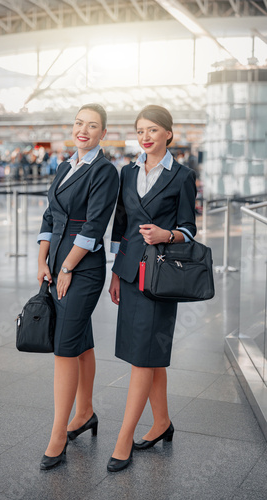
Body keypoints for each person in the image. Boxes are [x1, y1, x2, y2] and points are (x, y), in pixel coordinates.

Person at [108, 105, 196, 472]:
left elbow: (190, 230)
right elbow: (121, 225)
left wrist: (167, 234)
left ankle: (124, 437)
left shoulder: (182, 176)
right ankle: (161, 423)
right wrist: (115, 271)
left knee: (143, 357)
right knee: (144, 353)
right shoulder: (127, 173)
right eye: (141, 130)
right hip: (130, 273)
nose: (146, 136)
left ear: (168, 134)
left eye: (153, 130)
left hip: (160, 277)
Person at [37, 103, 119, 470]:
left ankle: (58, 434)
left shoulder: (104, 171)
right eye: (79, 123)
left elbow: (94, 225)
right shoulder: (66, 164)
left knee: (64, 349)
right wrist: (43, 259)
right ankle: (84, 412)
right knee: (80, 341)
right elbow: (49, 214)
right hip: (57, 263)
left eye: (93, 125)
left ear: (104, 132)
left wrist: (67, 266)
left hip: (82, 270)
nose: (83, 130)